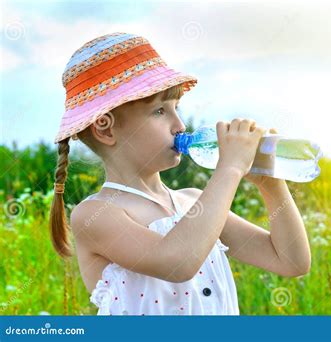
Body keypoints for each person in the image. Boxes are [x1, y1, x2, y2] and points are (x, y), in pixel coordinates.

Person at [49, 32, 311, 315]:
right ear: (106, 128)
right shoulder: (96, 214)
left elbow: (291, 261)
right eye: (160, 111)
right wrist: (230, 168)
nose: (180, 125)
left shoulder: (192, 201)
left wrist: (270, 184)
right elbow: (177, 262)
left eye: (177, 109)